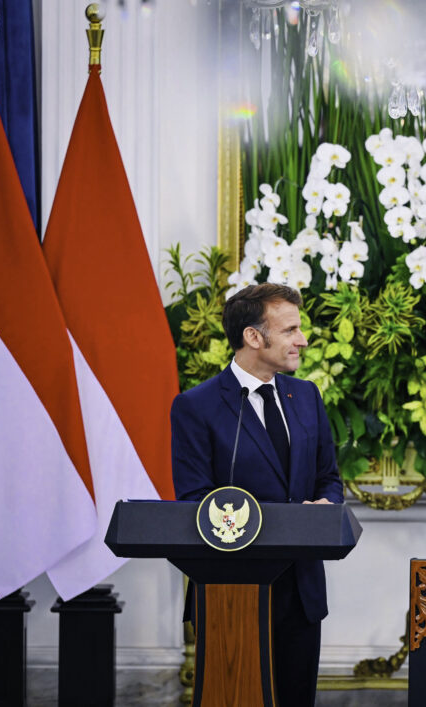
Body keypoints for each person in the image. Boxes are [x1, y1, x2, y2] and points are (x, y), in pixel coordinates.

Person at [171, 283, 344, 706]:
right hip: (230, 590)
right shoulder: (196, 406)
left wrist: (325, 505)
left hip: (301, 591)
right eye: (289, 330)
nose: (302, 340)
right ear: (253, 336)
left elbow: (328, 477)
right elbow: (194, 499)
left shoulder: (306, 396)